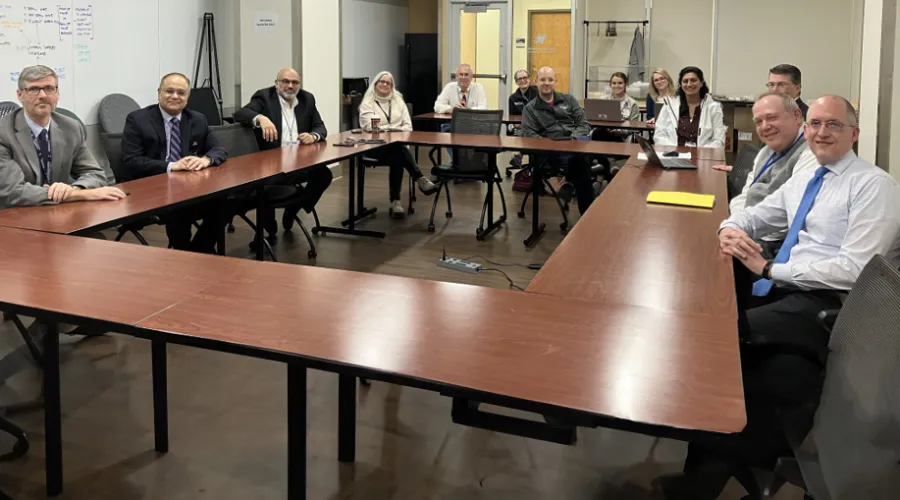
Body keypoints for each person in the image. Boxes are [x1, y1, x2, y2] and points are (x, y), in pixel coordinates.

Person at [662, 96, 900, 500]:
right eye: (816, 124)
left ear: (854, 134)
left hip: (831, 306)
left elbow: (856, 269)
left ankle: (706, 478)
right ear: (806, 129)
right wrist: (729, 229)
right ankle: (705, 473)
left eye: (834, 125)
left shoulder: (873, 186)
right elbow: (758, 213)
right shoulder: (811, 177)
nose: (822, 132)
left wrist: (772, 269)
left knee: (721, 350)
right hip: (789, 288)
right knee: (709, 326)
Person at [121, 72, 228, 253]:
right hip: (151, 190)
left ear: (187, 97)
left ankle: (198, 252)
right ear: (159, 92)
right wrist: (171, 166)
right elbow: (132, 161)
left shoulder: (197, 119)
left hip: (187, 188)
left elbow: (219, 149)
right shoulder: (138, 119)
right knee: (179, 209)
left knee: (225, 203)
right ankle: (185, 256)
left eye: (181, 92)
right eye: (169, 91)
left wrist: (204, 159)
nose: (175, 96)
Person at [0, 65, 125, 209]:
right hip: (13, 217)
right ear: (19, 95)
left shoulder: (70, 127)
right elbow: (12, 192)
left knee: (94, 232)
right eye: (34, 89)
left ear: (57, 93)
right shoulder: (3, 133)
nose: (43, 95)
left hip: (57, 211)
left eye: (49, 88)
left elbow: (95, 173)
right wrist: (79, 195)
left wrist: (75, 188)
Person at [233, 67, 333, 232]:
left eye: (294, 82)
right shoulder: (264, 97)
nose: (290, 86)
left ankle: (294, 209)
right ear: (276, 83)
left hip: (299, 162)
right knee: (266, 186)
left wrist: (313, 136)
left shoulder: (307, 99)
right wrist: (261, 118)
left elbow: (319, 126)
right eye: (285, 81)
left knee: (324, 175)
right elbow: (241, 113)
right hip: (271, 165)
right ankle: (268, 225)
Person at [716, 92, 813, 256]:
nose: (765, 126)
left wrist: (741, 228)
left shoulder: (809, 155)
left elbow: (790, 219)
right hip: (749, 229)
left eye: (772, 118)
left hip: (774, 246)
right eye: (759, 122)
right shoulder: (766, 152)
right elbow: (745, 194)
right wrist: (737, 225)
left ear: (797, 116)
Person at [358, 71, 437, 218]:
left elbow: (407, 126)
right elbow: (367, 126)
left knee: (398, 154)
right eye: (382, 81)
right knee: (399, 151)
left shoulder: (398, 101)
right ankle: (418, 179)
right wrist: (391, 129)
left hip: (396, 147)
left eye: (388, 83)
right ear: (375, 84)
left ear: (392, 86)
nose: (385, 85)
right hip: (374, 146)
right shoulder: (367, 103)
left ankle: (396, 202)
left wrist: (394, 133)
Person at [518, 67, 595, 215]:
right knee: (583, 165)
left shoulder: (569, 100)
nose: (547, 83)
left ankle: (569, 184)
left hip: (575, 145)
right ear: (536, 82)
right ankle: (587, 214)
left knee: (583, 148)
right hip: (552, 152)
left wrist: (572, 140)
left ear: (555, 82)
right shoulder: (530, 109)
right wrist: (552, 145)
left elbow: (583, 124)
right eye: (542, 80)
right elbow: (529, 134)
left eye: (550, 80)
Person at [653, 66, 726, 148]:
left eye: (693, 80)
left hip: (702, 158)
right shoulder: (669, 106)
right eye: (685, 81)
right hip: (674, 157)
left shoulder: (714, 108)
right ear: (681, 84)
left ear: (701, 83)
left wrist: (698, 153)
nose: (689, 84)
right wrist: (675, 151)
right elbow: (659, 136)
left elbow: (718, 141)